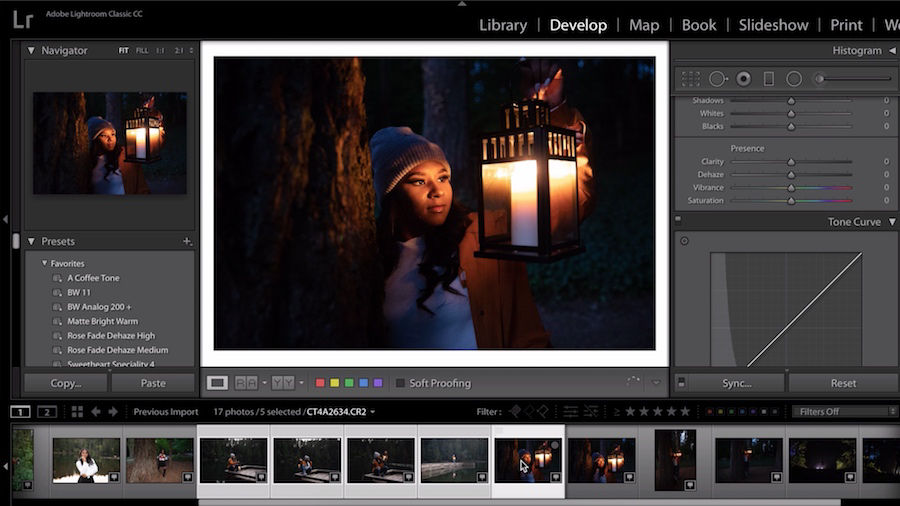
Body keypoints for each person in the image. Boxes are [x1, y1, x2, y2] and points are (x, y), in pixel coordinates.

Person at [371, 61, 593, 349]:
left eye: (442, 177)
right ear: (390, 195)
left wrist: (555, 116)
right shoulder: (367, 262)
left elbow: (564, 212)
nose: (437, 191)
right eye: (417, 181)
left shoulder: (480, 236)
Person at [85, 115, 154, 195]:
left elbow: (151, 147)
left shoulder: (124, 155)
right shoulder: (86, 161)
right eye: (104, 135)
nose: (110, 139)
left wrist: (153, 118)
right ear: (94, 139)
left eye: (112, 134)